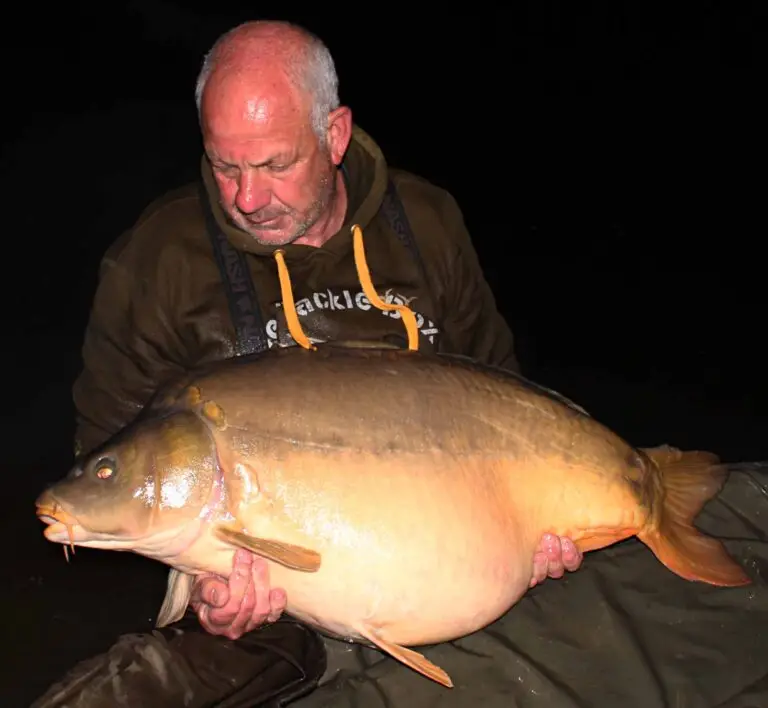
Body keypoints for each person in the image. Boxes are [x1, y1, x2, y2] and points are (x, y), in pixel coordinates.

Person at [55, 19, 583, 704]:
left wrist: (538, 524)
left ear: (334, 136)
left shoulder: (425, 223)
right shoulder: (156, 264)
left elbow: (502, 392)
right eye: (224, 166)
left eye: (275, 165)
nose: (247, 198)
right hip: (276, 611)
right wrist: (205, 592)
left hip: (449, 569)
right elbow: (117, 463)